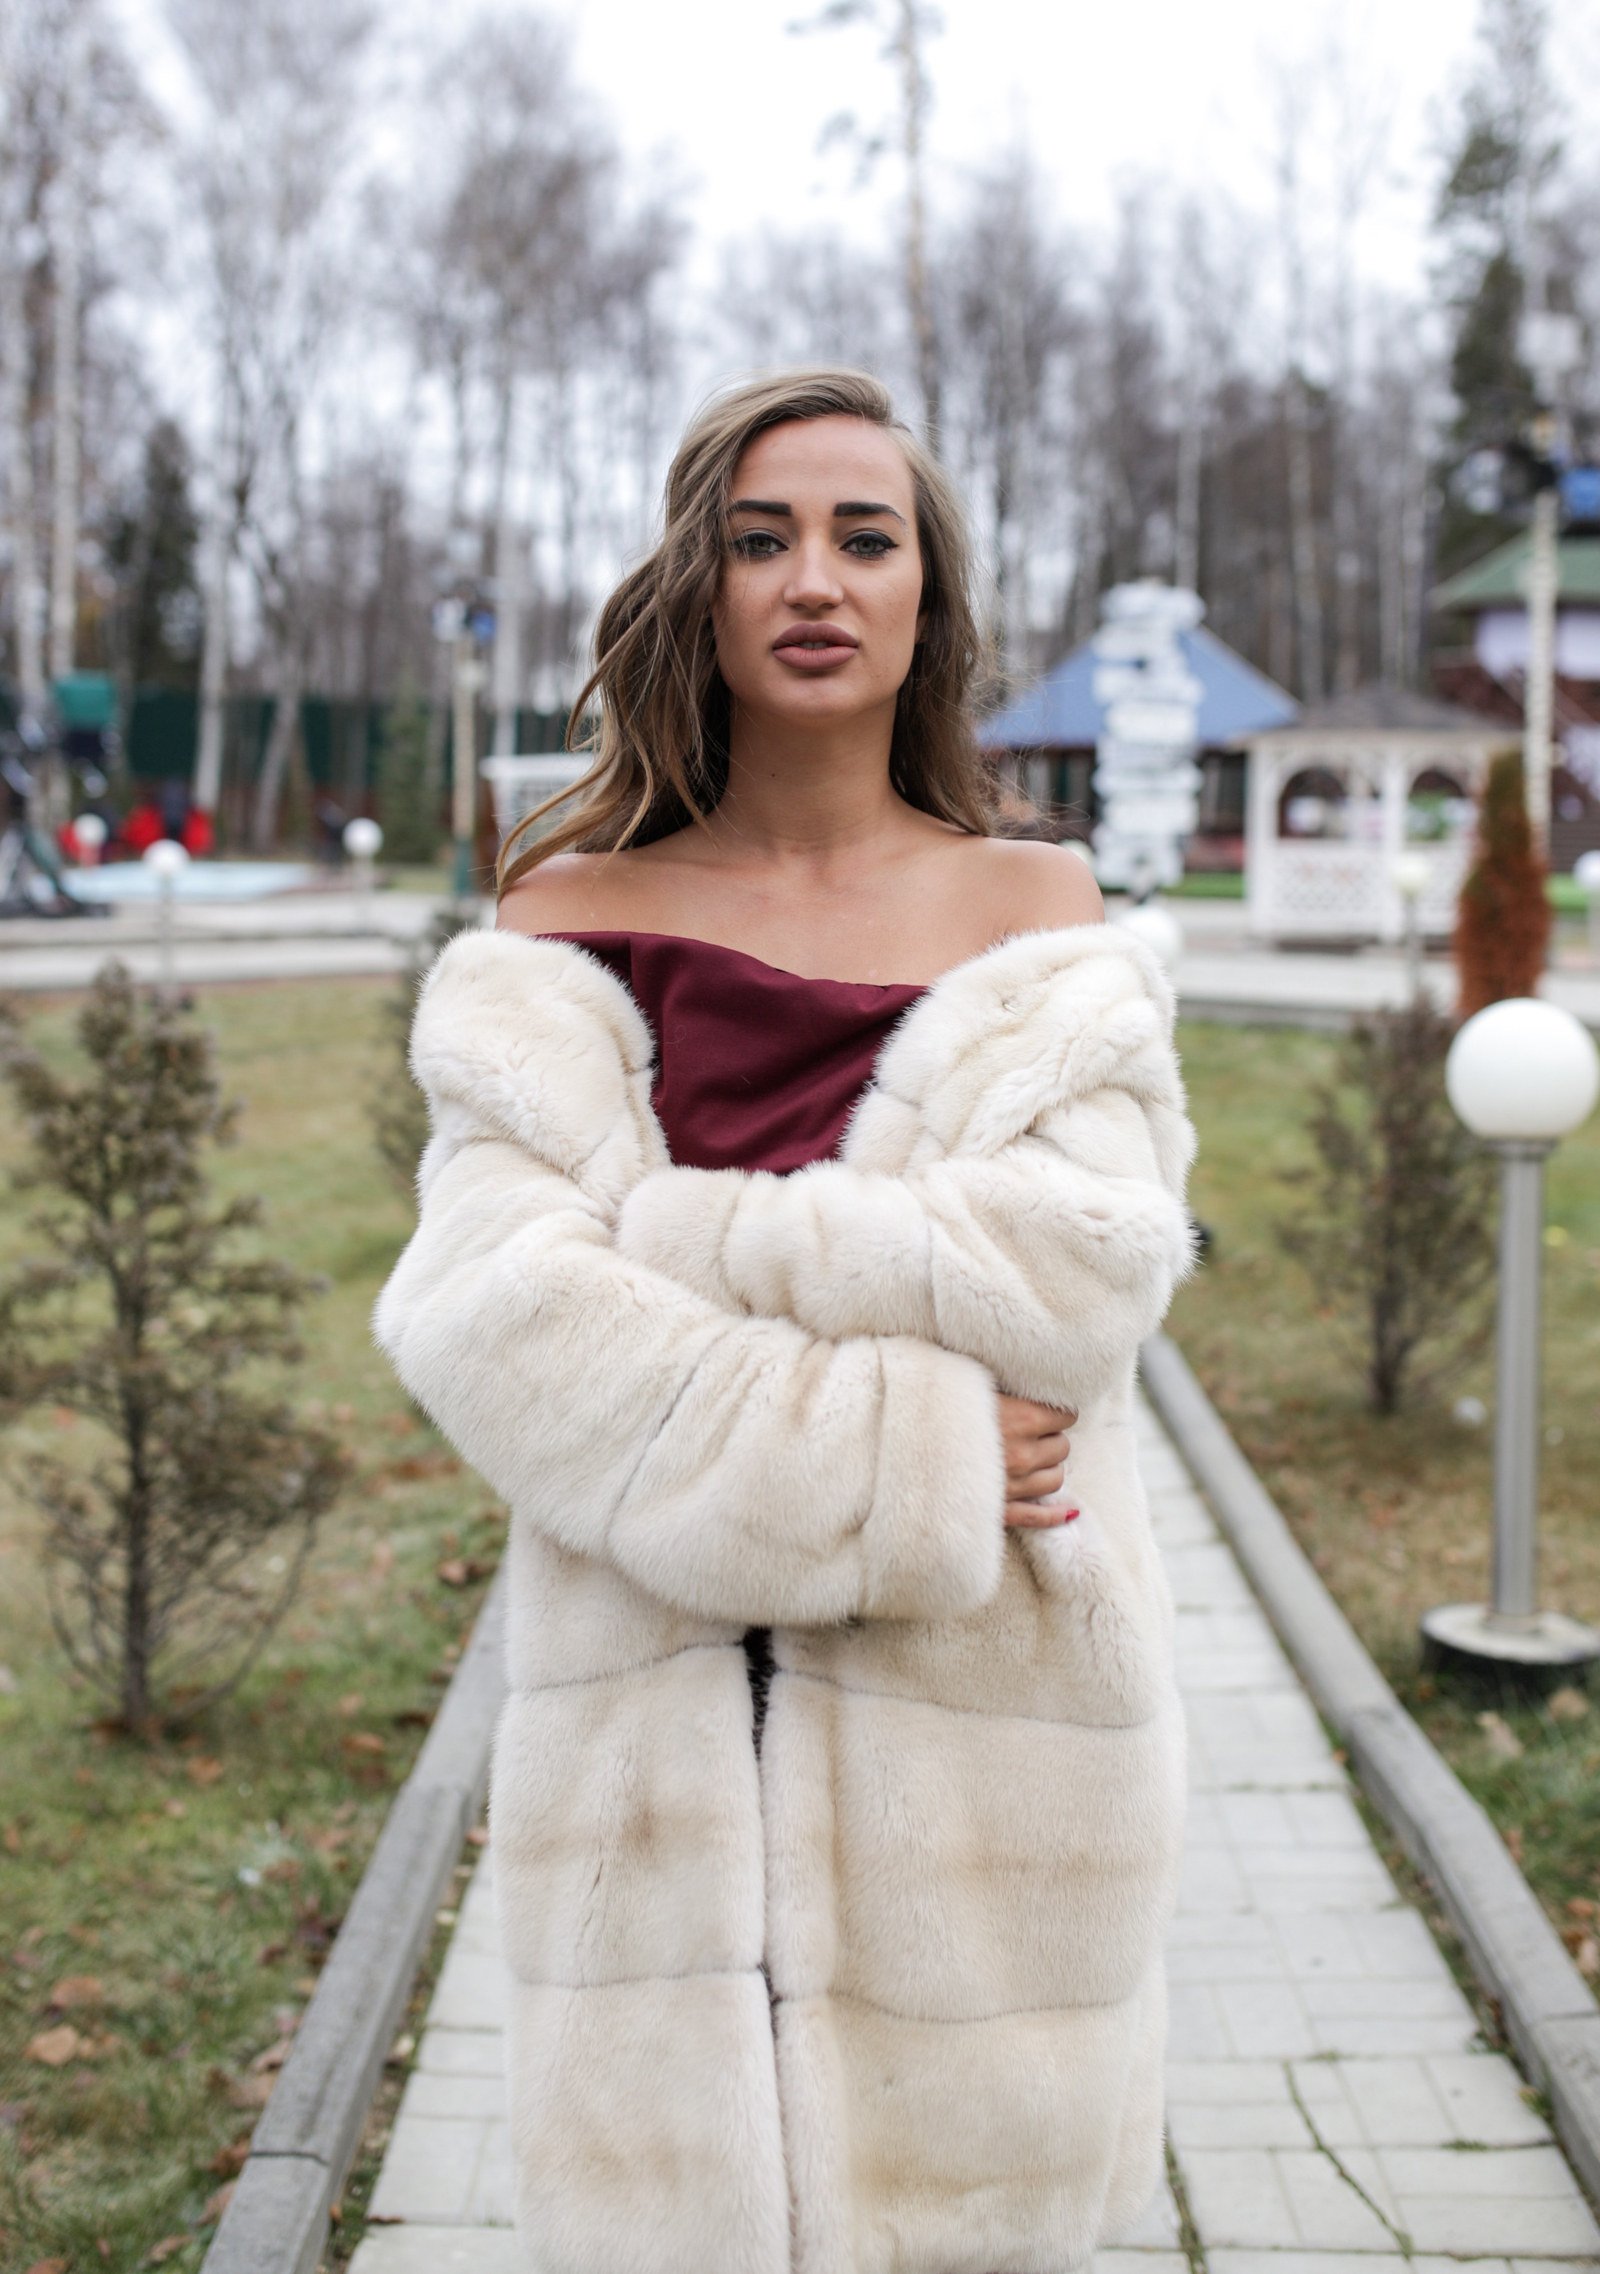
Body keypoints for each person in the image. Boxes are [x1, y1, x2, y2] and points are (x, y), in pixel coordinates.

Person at [377, 369, 1195, 2273]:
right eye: (760, 540)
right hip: (653, 1722)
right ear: (703, 586)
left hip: (995, 1738)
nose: (813, 578)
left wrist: (665, 1244)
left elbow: (1073, 1273)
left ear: (927, 595)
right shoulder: (566, 913)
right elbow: (504, 1319)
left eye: (862, 536)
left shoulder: (1038, 900)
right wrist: (912, 1452)